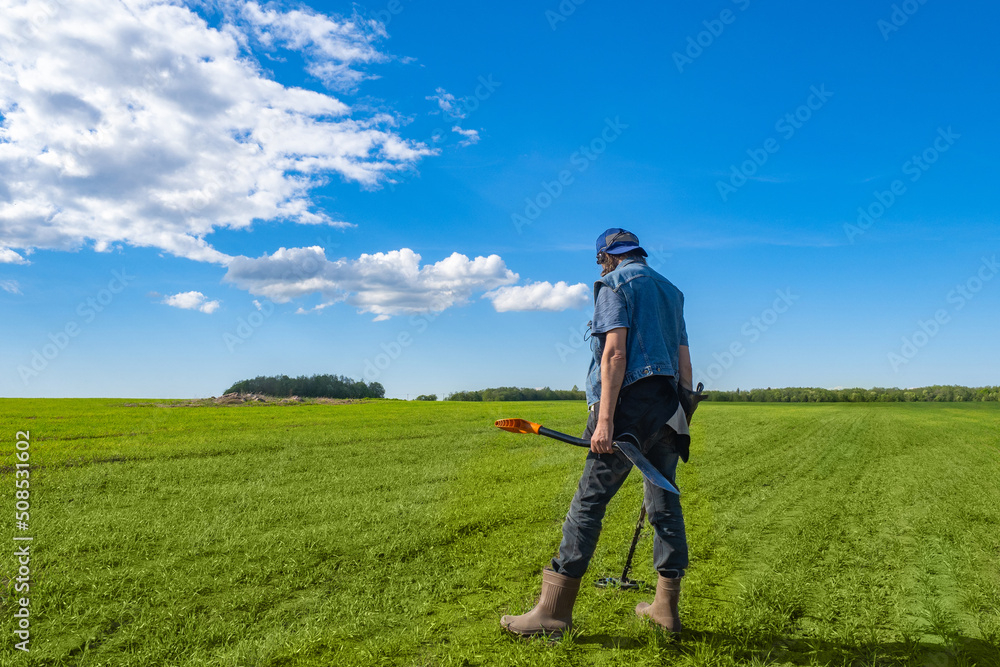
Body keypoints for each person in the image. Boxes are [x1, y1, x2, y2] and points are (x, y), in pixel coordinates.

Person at [500, 228, 695, 639]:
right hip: (669, 407)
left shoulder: (613, 284)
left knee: (588, 503)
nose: (601, 266)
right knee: (665, 504)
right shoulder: (671, 291)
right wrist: (681, 419)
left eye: (601, 260)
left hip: (625, 407)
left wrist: (605, 420)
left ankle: (552, 615)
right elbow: (684, 360)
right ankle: (666, 611)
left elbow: (615, 352)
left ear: (607, 257)